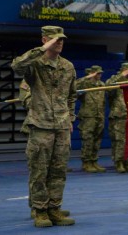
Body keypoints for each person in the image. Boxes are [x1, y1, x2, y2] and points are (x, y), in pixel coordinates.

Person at [11, 25, 76, 227]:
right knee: (39, 170)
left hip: (62, 126)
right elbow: (16, 66)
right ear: (45, 39)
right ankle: (40, 210)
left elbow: (72, 95)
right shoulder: (35, 64)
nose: (60, 43)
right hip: (40, 125)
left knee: (59, 170)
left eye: (62, 40)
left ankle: (54, 208)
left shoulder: (68, 66)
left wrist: (70, 118)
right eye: (56, 39)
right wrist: (42, 49)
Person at [106, 62, 128, 173]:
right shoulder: (115, 80)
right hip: (119, 115)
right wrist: (121, 75)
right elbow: (108, 88)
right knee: (120, 140)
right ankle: (119, 162)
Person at [77, 65, 106, 173]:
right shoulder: (85, 84)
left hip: (99, 116)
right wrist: (87, 77)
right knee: (88, 140)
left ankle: (94, 161)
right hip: (88, 116)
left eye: (100, 73)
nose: (99, 75)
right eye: (97, 73)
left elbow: (102, 102)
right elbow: (74, 86)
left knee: (97, 140)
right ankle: (86, 162)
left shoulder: (102, 85)